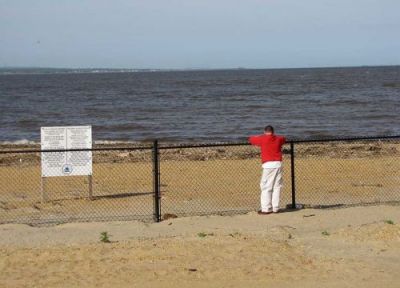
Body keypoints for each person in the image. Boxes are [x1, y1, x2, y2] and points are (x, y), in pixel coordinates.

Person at [249, 125, 286, 214]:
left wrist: (259, 136)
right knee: (277, 186)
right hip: (278, 164)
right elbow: (283, 139)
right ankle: (275, 208)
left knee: (266, 187)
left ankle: (266, 209)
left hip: (268, 165)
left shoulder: (262, 138)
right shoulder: (278, 139)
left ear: (264, 131)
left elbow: (251, 139)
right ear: (273, 131)